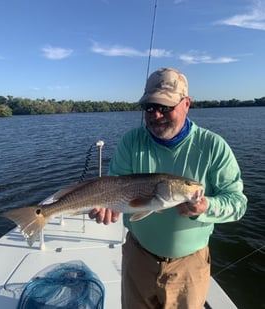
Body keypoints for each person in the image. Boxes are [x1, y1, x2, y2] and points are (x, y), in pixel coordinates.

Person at [89, 67, 247, 309]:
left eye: (165, 107)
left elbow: (237, 203)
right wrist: (107, 208)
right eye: (149, 107)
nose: (156, 115)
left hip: (189, 267)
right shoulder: (131, 141)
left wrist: (206, 206)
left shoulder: (214, 146)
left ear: (187, 104)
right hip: (137, 258)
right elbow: (113, 185)